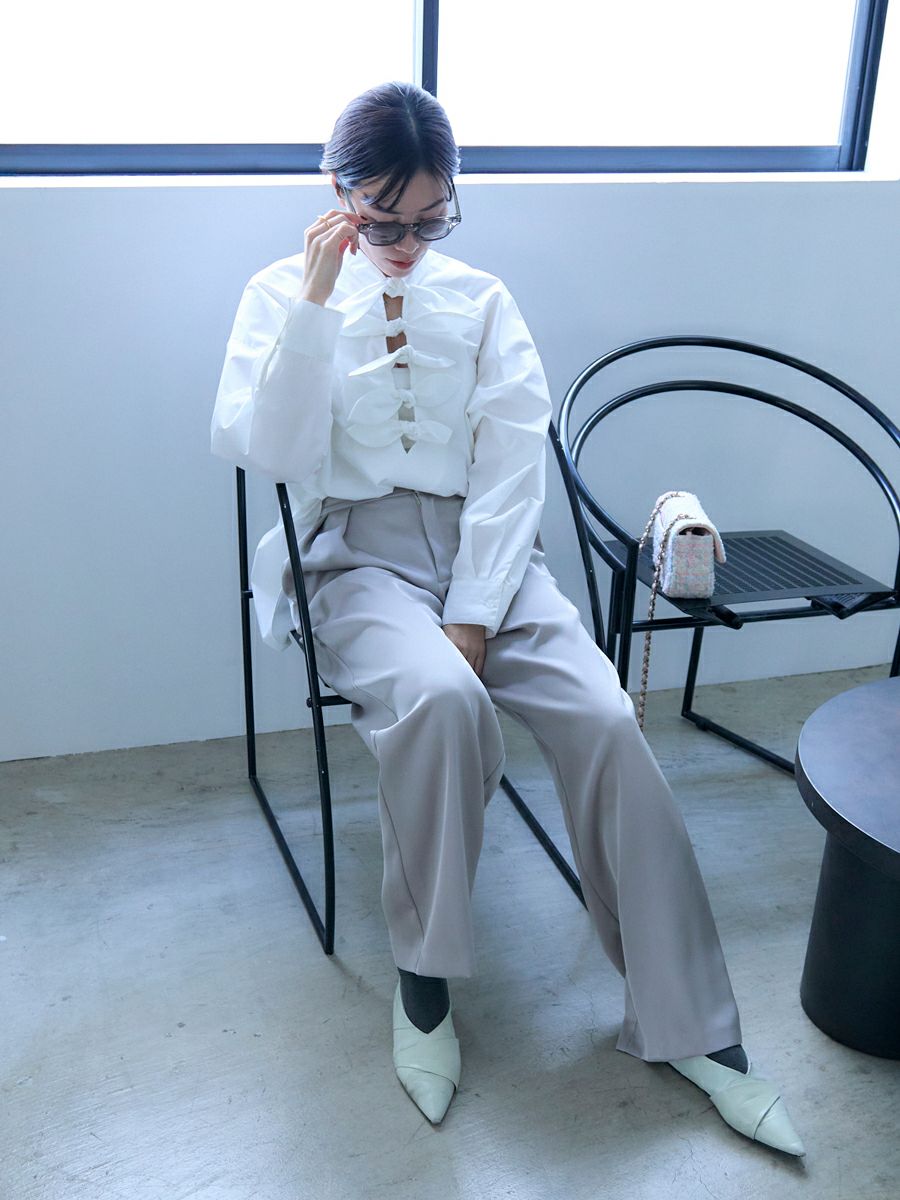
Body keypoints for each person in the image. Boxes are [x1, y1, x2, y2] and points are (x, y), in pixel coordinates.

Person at [210, 81, 804, 1155]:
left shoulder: (482, 298)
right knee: (443, 704)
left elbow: (513, 460)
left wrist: (478, 608)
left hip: (492, 553)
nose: (405, 244)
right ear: (335, 190)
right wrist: (315, 303)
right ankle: (424, 979)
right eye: (382, 220)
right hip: (352, 557)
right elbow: (272, 455)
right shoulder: (275, 295)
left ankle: (692, 1020)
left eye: (430, 220)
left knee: (607, 720)